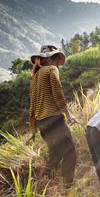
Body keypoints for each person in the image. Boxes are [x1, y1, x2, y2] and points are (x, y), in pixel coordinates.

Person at [28, 45, 77, 185]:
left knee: (55, 154)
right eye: (56, 60)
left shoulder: (35, 77)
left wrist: (32, 129)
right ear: (51, 59)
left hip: (42, 124)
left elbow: (32, 105)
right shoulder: (51, 69)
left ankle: (43, 182)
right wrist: (68, 113)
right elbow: (57, 92)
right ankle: (67, 186)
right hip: (54, 119)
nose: (58, 64)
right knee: (70, 152)